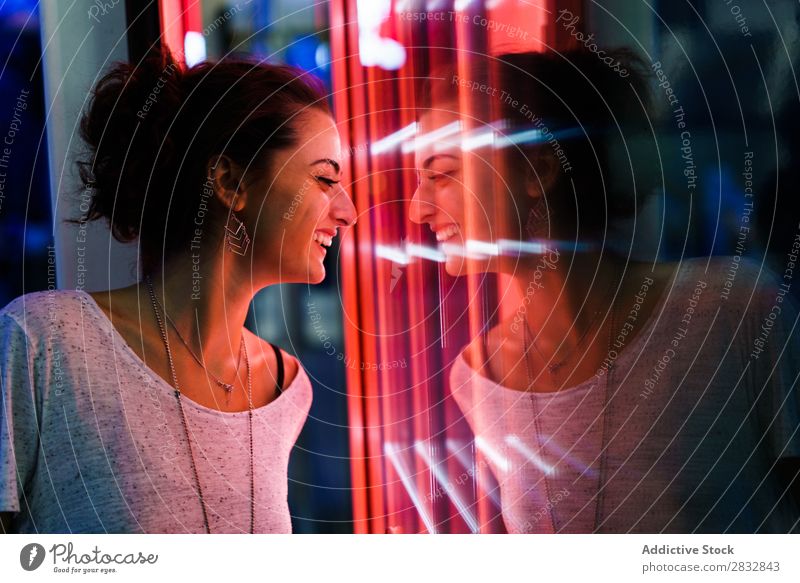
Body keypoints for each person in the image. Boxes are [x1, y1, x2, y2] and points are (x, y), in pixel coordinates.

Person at [409, 49, 800, 533]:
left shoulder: (733, 311)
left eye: (441, 173)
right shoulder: (478, 377)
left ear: (539, 171)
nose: (417, 209)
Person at [0, 51, 356, 533]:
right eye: (325, 179)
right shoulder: (46, 344)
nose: (348, 211)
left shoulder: (287, 389)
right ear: (231, 182)